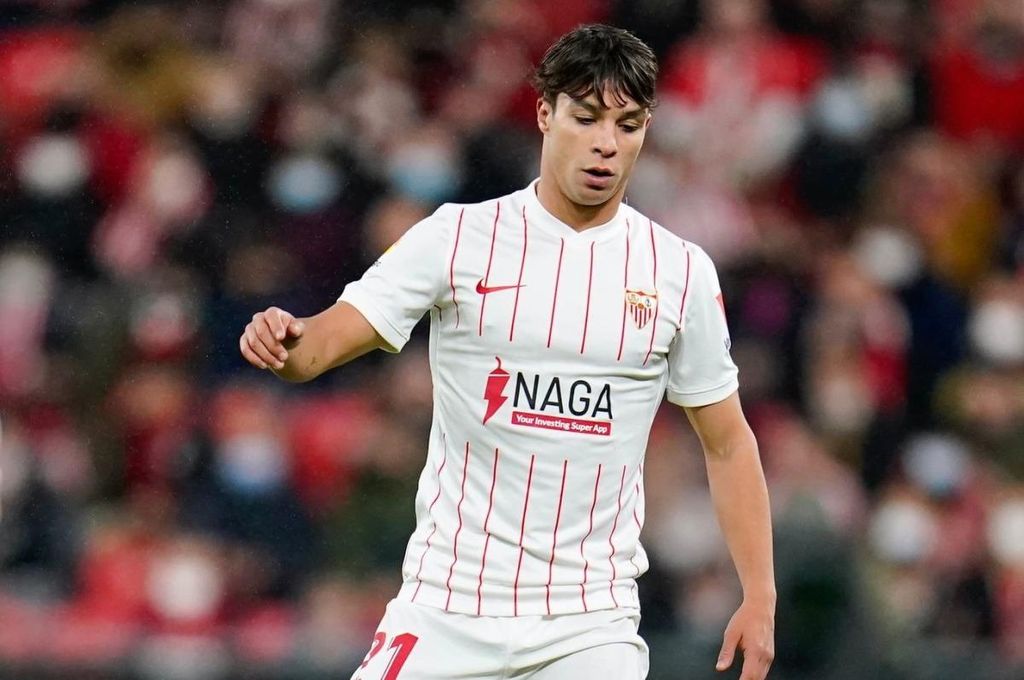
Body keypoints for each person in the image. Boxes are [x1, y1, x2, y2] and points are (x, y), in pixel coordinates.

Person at [240, 24, 775, 680]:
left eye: (629, 125)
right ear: (546, 114)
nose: (607, 144)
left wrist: (760, 595)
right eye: (586, 118)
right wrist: (284, 342)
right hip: (446, 605)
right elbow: (318, 347)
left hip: (588, 624)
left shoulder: (679, 272)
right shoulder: (456, 238)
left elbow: (727, 442)